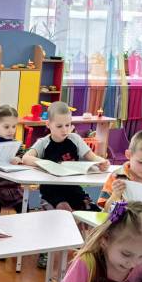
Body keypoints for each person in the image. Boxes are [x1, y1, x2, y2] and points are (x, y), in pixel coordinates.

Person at [22, 100, 109, 268]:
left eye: (68, 125)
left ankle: (88, 250)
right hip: (52, 193)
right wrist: (44, 163)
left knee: (93, 212)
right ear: (48, 125)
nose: (65, 130)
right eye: (59, 126)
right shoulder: (43, 142)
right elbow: (26, 158)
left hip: (74, 190)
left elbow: (92, 157)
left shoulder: (75, 139)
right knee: (63, 212)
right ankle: (47, 251)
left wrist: (101, 162)